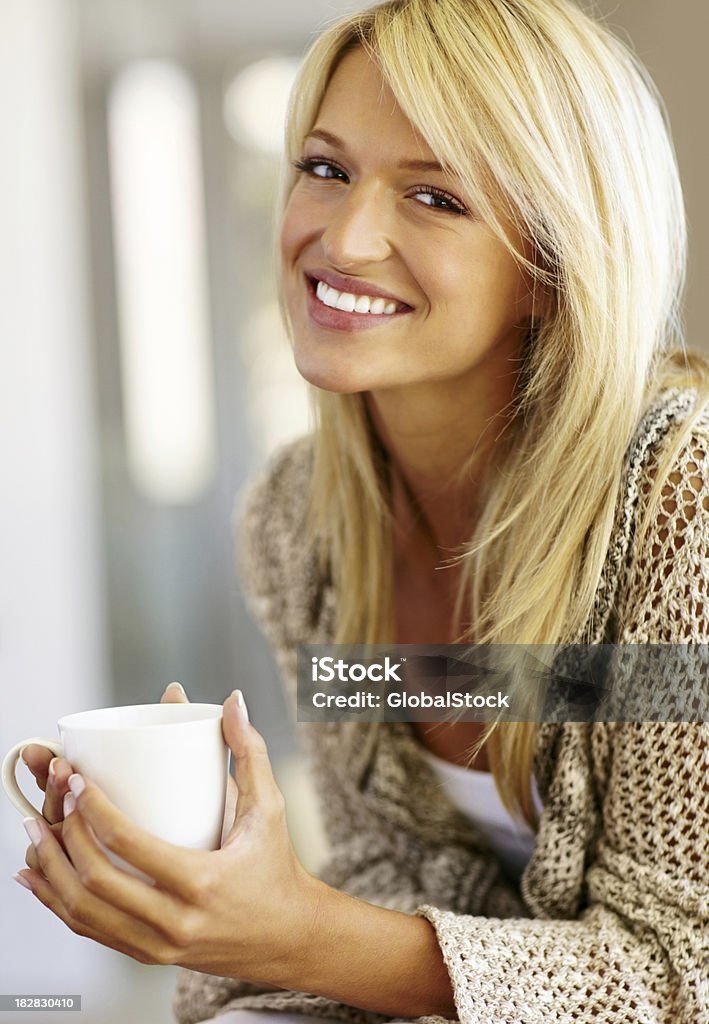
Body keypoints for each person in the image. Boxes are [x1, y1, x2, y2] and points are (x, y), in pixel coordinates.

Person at [16, 0, 709, 1022]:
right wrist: (207, 880)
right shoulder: (297, 522)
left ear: (553, 267)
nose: (341, 238)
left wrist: (294, 929)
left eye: (433, 195)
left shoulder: (679, 503)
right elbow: (405, 870)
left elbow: (683, 969)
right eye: (326, 168)